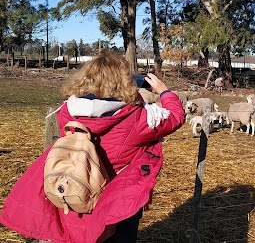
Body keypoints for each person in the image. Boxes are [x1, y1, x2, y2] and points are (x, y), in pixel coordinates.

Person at [0, 51, 185, 243]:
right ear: (124, 82)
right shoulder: (138, 117)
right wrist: (164, 92)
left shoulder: (67, 111)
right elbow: (175, 117)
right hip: (117, 200)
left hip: (79, 190)